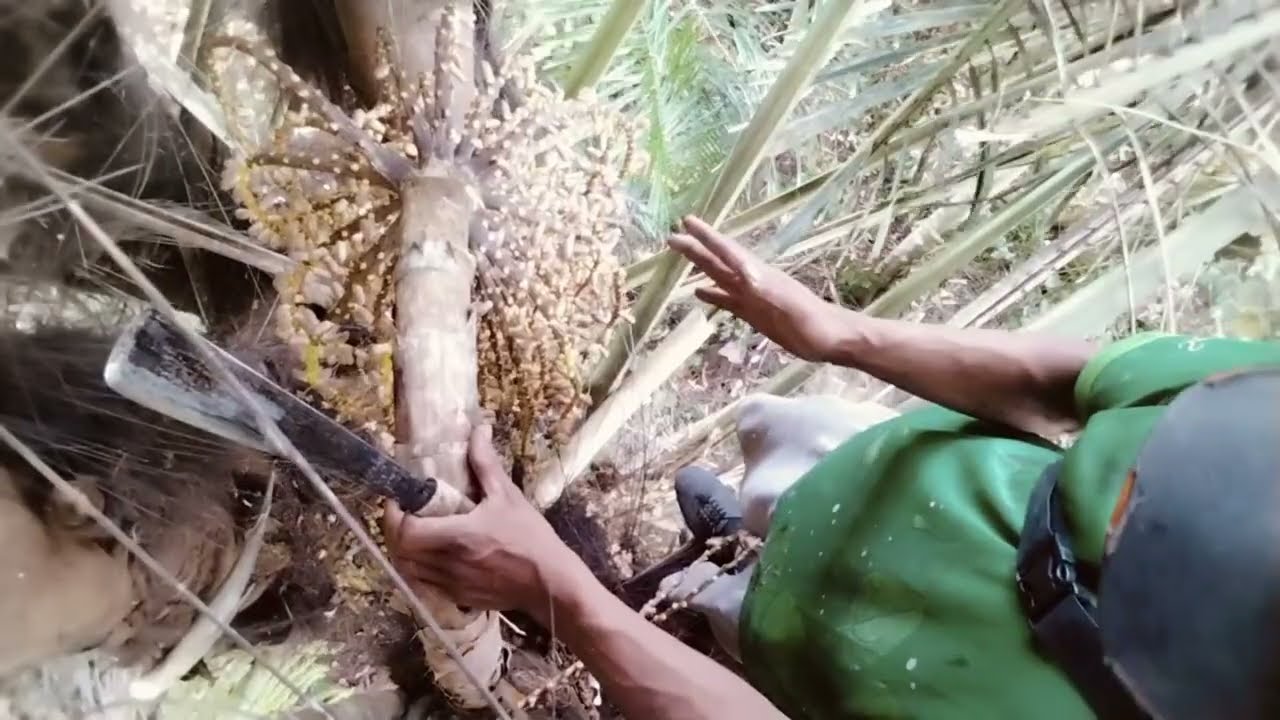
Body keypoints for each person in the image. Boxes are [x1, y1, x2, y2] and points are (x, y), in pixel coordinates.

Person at [384, 216, 1280, 720]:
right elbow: (1079, 380)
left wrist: (566, 600)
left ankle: (709, 617)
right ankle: (735, 548)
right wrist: (842, 334)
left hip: (813, 685)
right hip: (881, 484)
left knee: (719, 643)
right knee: (761, 523)